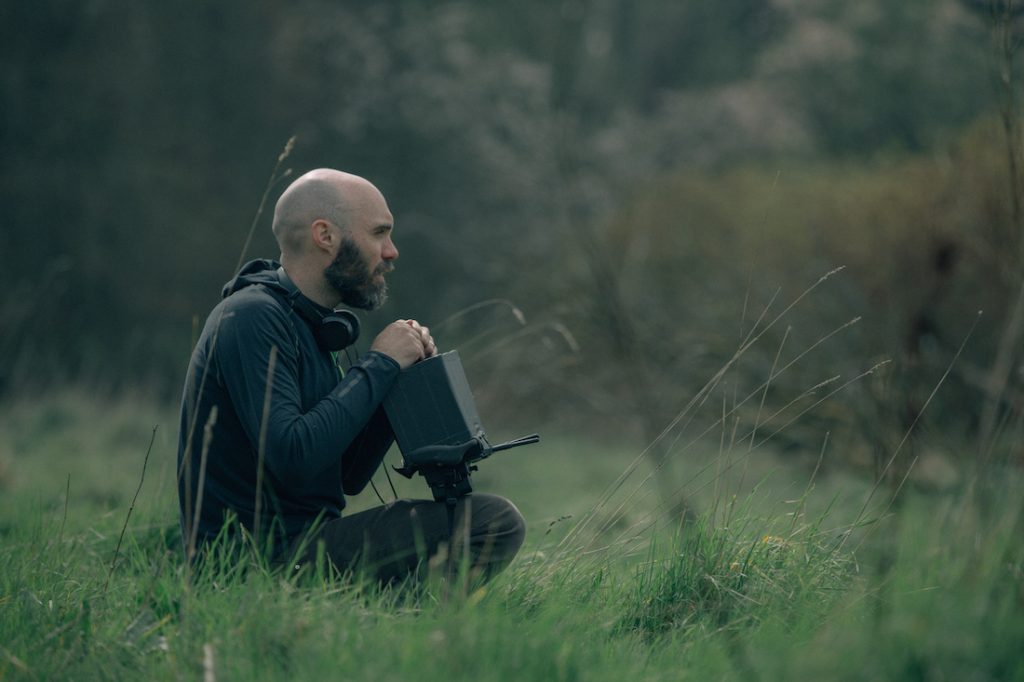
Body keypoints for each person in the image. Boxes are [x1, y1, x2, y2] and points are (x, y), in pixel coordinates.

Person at [177, 168, 525, 584]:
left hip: (298, 547)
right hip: (251, 563)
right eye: (379, 233)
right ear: (325, 236)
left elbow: (346, 475)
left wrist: (394, 379)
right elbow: (292, 457)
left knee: (482, 519)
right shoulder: (252, 317)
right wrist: (380, 365)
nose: (392, 251)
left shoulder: (314, 325)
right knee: (494, 522)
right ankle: (410, 630)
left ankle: (390, 625)